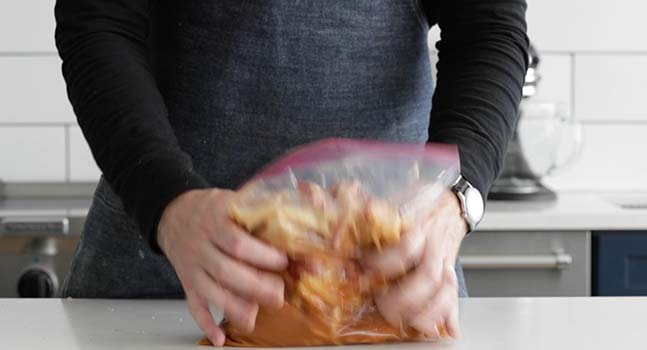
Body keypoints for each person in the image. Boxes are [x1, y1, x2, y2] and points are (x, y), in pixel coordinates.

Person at [54, 0, 528, 346]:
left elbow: (489, 28)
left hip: (393, 285)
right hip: (156, 287)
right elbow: (97, 23)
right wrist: (168, 204)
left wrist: (454, 198)